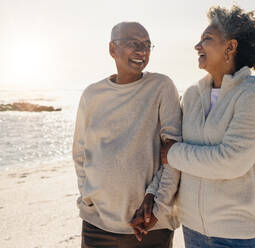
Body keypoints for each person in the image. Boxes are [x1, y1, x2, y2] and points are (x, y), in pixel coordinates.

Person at [160, 5, 255, 248]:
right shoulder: (191, 94)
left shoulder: (254, 93)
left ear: (230, 47)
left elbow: (231, 161)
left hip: (237, 234)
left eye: (207, 39)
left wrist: (172, 154)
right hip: (192, 228)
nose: (197, 46)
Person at [72, 22, 181, 248]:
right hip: (96, 224)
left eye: (147, 45)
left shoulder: (162, 86)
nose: (142, 51)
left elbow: (174, 154)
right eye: (134, 44)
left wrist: (158, 208)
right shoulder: (92, 94)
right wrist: (88, 196)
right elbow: (80, 152)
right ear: (113, 49)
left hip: (149, 226)